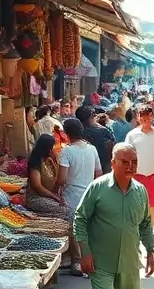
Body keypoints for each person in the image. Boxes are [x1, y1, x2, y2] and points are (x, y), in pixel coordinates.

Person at [74, 143, 154, 289]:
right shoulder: (97, 188)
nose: (130, 166)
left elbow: (146, 224)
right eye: (125, 162)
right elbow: (80, 219)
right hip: (100, 258)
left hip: (130, 256)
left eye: (134, 162)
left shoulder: (140, 191)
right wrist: (85, 252)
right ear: (113, 163)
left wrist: (150, 250)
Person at [59, 119, 103, 275]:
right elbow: (99, 173)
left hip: (72, 195)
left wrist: (54, 188)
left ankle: (77, 262)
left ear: (66, 133)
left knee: (75, 229)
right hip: (89, 193)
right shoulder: (92, 149)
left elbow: (62, 179)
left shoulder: (67, 151)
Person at [126, 105, 154, 225]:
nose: (145, 119)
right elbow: (127, 156)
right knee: (136, 205)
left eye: (148, 116)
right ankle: (138, 229)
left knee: (153, 207)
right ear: (138, 118)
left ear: (153, 117)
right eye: (142, 116)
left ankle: (150, 230)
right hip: (137, 176)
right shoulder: (131, 135)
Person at [25, 133, 70, 219]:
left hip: (48, 196)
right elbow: (37, 186)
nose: (52, 150)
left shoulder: (49, 159)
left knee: (67, 206)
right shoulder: (36, 160)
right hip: (36, 198)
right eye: (51, 147)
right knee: (63, 210)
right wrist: (54, 197)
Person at [77, 104, 115, 173]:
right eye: (94, 116)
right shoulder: (102, 131)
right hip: (102, 165)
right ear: (91, 117)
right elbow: (113, 139)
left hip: (82, 167)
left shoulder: (77, 131)